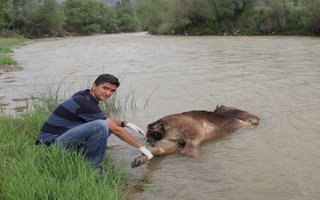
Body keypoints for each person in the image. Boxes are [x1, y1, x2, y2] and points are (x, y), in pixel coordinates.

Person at [35, 73, 153, 167]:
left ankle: (83, 155)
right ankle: (92, 166)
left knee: (104, 125)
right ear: (94, 86)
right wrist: (141, 147)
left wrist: (124, 123)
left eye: (112, 91)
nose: (108, 93)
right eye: (105, 88)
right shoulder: (84, 102)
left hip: (59, 139)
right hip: (50, 146)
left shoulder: (84, 95)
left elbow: (106, 121)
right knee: (101, 126)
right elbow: (111, 127)